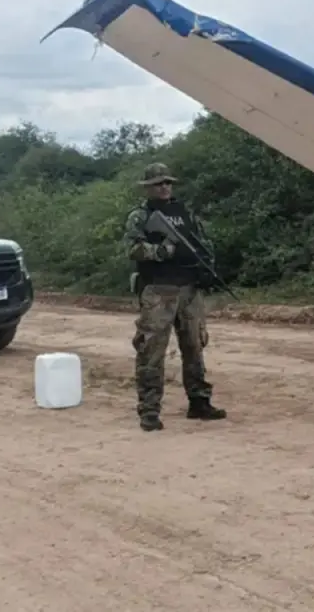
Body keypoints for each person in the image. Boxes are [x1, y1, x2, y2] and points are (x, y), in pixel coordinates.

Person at [123, 162, 227, 431]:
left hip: (189, 289)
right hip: (159, 289)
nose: (165, 187)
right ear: (148, 188)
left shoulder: (185, 213)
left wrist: (206, 268)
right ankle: (149, 410)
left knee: (194, 347)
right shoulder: (141, 216)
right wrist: (164, 251)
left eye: (167, 182)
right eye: (159, 183)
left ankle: (199, 401)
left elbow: (204, 244)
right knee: (152, 351)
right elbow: (133, 249)